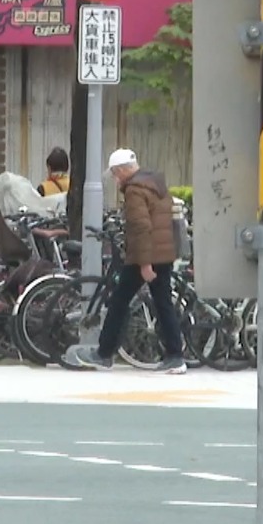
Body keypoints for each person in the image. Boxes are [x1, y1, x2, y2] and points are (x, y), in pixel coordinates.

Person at [73, 149, 186, 374]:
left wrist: (144, 264)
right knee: (162, 303)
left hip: (145, 256)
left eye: (115, 174)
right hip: (162, 253)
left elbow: (141, 227)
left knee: (119, 301)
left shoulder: (135, 190)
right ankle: (175, 355)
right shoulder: (155, 185)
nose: (115, 179)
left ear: (124, 170)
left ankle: (104, 354)